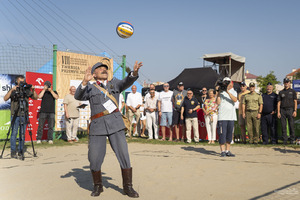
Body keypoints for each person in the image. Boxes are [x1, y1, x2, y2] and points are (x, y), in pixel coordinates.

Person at [75, 61, 142, 197]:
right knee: (94, 158)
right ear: (94, 74)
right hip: (97, 126)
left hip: (115, 124)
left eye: (105, 68)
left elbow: (127, 81)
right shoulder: (89, 87)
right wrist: (83, 81)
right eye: (99, 69)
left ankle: (128, 187)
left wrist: (134, 73)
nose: (103, 70)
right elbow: (78, 96)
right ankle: (98, 186)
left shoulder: (114, 83)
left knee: (124, 155)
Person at [3, 75, 38, 159]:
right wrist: (12, 90)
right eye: (20, 81)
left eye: (23, 81)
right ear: (16, 82)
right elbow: (5, 98)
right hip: (15, 115)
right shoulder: (14, 90)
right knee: (14, 133)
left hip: (24, 114)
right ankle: (13, 151)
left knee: (22, 134)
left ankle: (21, 150)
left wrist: (33, 90)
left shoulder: (26, 90)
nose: (22, 83)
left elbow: (36, 98)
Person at [216, 77, 237, 157]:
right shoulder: (220, 92)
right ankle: (222, 151)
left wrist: (227, 92)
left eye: (228, 82)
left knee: (229, 135)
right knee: (222, 134)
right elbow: (218, 102)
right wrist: (218, 92)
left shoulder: (233, 91)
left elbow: (235, 100)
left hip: (231, 116)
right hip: (222, 117)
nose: (227, 84)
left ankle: (228, 150)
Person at [278, 78, 297, 145]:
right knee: (283, 126)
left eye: (287, 82)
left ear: (289, 83)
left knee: (291, 125)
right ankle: (285, 140)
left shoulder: (293, 91)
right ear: (283, 83)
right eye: (285, 82)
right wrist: (278, 112)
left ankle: (292, 140)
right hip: (283, 110)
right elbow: (279, 103)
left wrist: (295, 110)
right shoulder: (281, 92)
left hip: (290, 110)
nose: (286, 83)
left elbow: (295, 101)